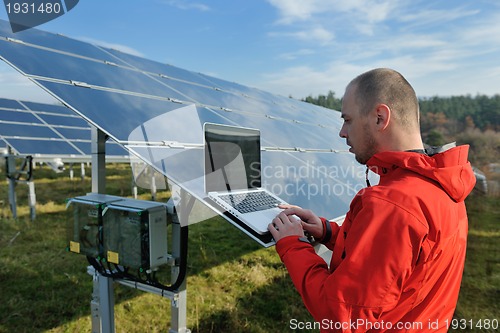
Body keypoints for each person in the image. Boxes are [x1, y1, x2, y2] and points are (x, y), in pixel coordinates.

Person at [268, 68, 476, 332]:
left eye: (348, 120)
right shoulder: (440, 185)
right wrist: (328, 231)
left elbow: (340, 316)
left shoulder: (394, 205)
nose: (342, 133)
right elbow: (399, 262)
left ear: (380, 118)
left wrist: (293, 245)